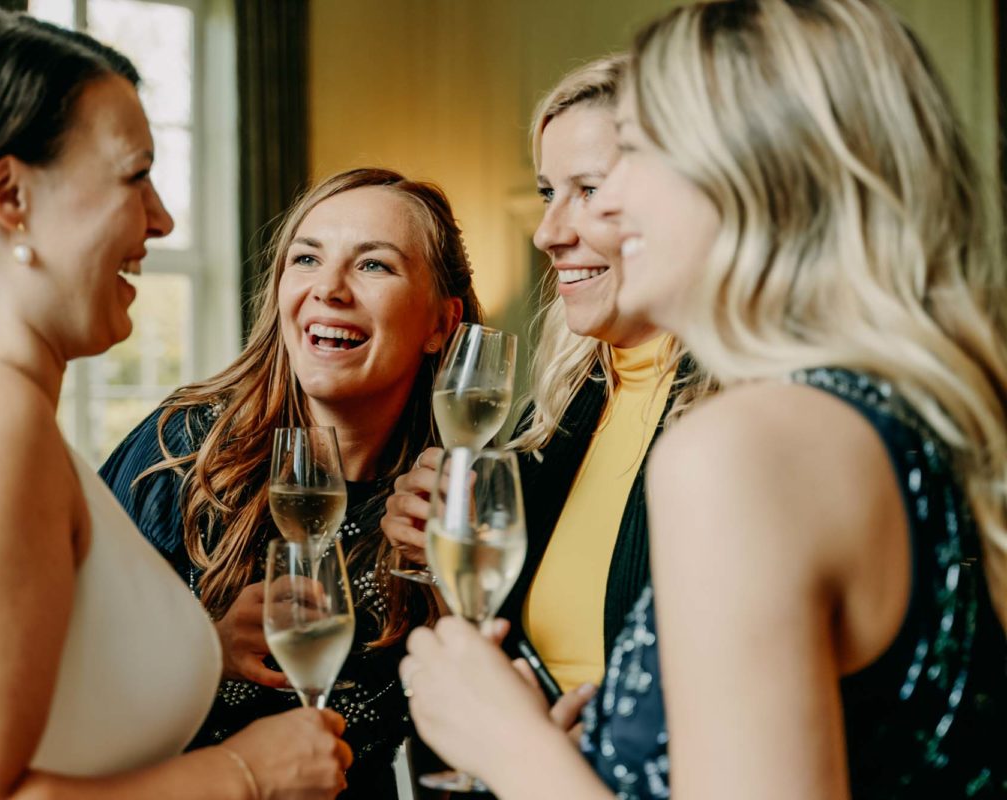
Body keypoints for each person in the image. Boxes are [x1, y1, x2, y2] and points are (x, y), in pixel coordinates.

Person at [400, 0, 1007, 797]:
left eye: (640, 155)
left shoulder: (739, 447)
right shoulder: (900, 417)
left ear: (760, 175)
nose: (602, 206)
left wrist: (506, 743)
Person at [0, 9, 350, 798]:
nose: (162, 218)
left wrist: (193, 646)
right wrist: (249, 772)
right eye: (135, 176)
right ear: (10, 193)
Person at [100, 167, 482, 796]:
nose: (328, 288)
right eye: (307, 258)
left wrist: (451, 581)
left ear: (442, 324)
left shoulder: (453, 499)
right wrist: (205, 651)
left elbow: (472, 739)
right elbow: (61, 667)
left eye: (374, 265)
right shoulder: (182, 447)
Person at [382, 55, 699, 698]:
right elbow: (505, 645)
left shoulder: (748, 418)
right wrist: (446, 555)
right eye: (549, 193)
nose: (547, 234)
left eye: (590, 190)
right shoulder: (553, 415)